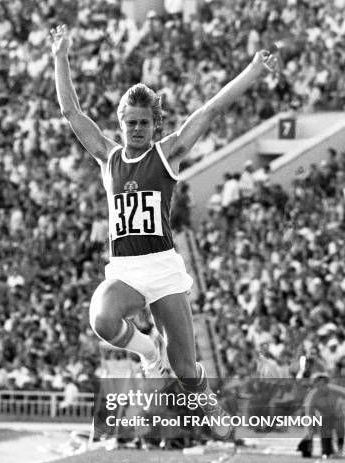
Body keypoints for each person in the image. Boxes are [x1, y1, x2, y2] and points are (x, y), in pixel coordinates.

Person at [50, 23, 279, 412]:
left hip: (163, 267)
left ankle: (206, 399)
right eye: (130, 123)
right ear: (120, 125)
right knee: (102, 319)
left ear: (155, 124)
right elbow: (71, 112)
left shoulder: (166, 154)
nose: (136, 129)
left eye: (143, 123)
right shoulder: (109, 158)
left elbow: (210, 110)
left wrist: (253, 72)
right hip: (126, 268)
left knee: (186, 369)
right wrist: (60, 57)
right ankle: (148, 351)